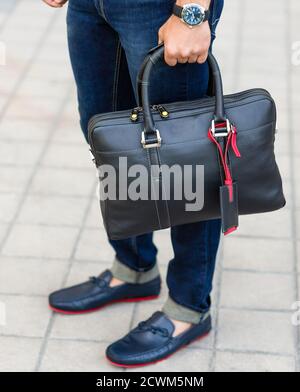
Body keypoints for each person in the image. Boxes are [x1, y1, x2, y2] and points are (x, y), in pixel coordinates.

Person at [43, 0, 224, 367]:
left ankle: (188, 307)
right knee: (110, 138)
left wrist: (192, 12)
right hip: (90, 6)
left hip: (162, 8)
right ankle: (135, 268)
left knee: (184, 155)